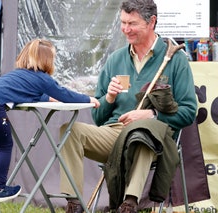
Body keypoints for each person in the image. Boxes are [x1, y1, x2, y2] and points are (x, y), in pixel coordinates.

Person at [59, 0, 197, 212]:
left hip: (156, 137)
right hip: (115, 133)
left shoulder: (175, 59)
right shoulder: (115, 59)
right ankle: (74, 203)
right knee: (70, 131)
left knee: (141, 133)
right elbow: (98, 118)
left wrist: (151, 115)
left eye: (132, 23)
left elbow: (188, 112)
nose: (125, 29)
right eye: (123, 23)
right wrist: (110, 98)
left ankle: (129, 204)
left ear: (151, 22)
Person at [0, 39, 100, 203]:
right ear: (47, 60)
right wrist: (88, 99)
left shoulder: (20, 75)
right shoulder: (43, 79)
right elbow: (65, 94)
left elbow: (35, 94)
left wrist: (51, 99)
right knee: (5, 145)